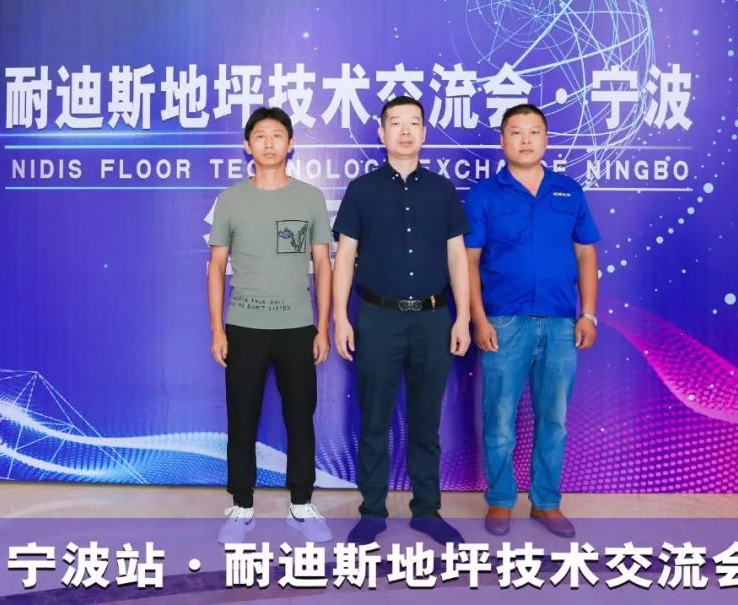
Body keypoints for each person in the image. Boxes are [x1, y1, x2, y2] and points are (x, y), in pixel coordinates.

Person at [332, 95, 471, 545]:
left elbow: (457, 256)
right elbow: (345, 256)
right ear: (382, 132)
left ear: (425, 133)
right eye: (396, 123)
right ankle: (372, 511)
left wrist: (463, 318)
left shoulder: (442, 191)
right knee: (374, 420)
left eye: (414, 123)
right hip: (377, 318)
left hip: (433, 320)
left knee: (425, 422)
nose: (405, 131)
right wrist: (340, 317)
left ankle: (427, 510)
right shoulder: (362, 190)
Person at [464, 103, 600, 538]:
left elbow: (586, 253)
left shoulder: (568, 191)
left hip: (561, 323)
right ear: (502, 140)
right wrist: (478, 318)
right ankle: (501, 499)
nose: (525, 140)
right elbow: (469, 261)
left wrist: (588, 313)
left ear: (546, 139)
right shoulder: (484, 195)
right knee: (500, 416)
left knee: (554, 418)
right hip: (504, 322)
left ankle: (546, 502)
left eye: (534, 131)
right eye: (516, 132)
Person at [208, 106, 333, 544]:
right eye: (259, 135)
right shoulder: (230, 200)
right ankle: (242, 507)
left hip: (298, 327)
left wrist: (322, 327)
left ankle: (301, 505)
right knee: (242, 419)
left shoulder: (310, 198)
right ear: (247, 146)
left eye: (277, 135)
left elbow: (323, 264)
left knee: (301, 417)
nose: (268, 143)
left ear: (291, 143)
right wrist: (218, 330)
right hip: (244, 326)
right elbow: (216, 266)